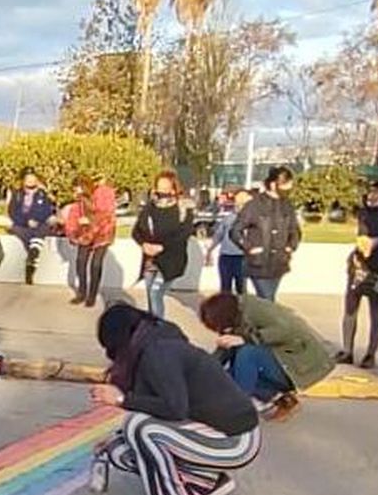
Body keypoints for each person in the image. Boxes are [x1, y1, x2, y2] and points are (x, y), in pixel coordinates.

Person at [89, 303, 261, 495]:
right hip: (212, 430)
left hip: (236, 439)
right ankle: (206, 483)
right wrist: (116, 435)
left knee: (139, 427)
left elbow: (174, 408)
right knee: (118, 450)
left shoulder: (158, 352)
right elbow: (165, 408)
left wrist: (122, 399)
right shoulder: (156, 340)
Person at [197, 289, 335, 420]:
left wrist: (247, 339)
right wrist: (204, 369)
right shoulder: (233, 317)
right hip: (279, 357)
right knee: (226, 375)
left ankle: (238, 409)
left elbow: (285, 330)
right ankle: (281, 399)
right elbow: (224, 351)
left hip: (300, 362)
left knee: (247, 354)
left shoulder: (256, 309)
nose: (222, 330)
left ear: (225, 316)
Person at [336, 180, 378, 367]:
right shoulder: (363, 213)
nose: (372, 196)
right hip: (359, 266)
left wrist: (377, 241)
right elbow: (361, 235)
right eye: (371, 192)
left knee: (376, 312)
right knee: (350, 308)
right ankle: (347, 350)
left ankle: (371, 353)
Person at [231, 165, 302, 299]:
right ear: (274, 184)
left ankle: (256, 318)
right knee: (267, 298)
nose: (288, 190)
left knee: (268, 299)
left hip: (279, 262)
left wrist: (290, 247)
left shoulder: (287, 205)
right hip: (258, 262)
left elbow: (295, 230)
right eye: (285, 185)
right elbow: (235, 231)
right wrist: (249, 247)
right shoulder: (254, 205)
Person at [132, 170, 195, 319]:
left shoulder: (183, 209)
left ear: (174, 188)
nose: (162, 190)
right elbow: (136, 231)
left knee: (155, 293)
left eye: (166, 186)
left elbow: (183, 234)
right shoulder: (149, 208)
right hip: (150, 260)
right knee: (150, 296)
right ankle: (152, 326)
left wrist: (162, 247)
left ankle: (159, 330)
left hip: (170, 260)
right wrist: (143, 244)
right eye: (159, 186)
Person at [61, 175, 116, 309]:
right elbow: (72, 222)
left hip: (103, 232)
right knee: (80, 261)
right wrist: (73, 233)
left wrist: (91, 221)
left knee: (96, 264)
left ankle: (91, 295)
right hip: (86, 234)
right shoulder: (78, 204)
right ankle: (82, 292)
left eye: (78, 190)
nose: (76, 193)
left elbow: (107, 213)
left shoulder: (103, 193)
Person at [7, 168, 56, 286]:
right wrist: (26, 221)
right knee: (19, 230)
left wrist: (36, 220)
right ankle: (33, 253)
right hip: (23, 225)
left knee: (44, 228)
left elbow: (46, 211)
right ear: (23, 181)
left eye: (33, 179)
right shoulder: (17, 194)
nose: (30, 181)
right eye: (28, 179)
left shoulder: (42, 194)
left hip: (39, 224)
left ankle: (32, 257)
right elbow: (12, 212)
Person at [209, 188, 250, 294]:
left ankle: (241, 309)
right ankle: (226, 309)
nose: (239, 203)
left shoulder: (251, 220)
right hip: (226, 257)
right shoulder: (228, 218)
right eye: (238, 200)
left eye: (243, 201)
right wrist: (210, 250)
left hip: (241, 257)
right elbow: (218, 235)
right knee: (225, 288)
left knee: (241, 288)